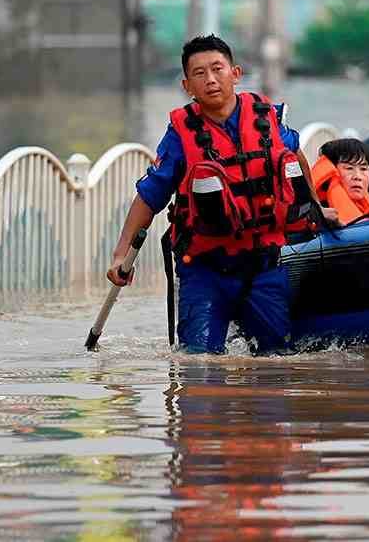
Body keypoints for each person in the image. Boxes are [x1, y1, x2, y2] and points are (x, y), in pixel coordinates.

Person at [105, 35, 333, 355]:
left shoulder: (266, 119)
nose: (210, 79)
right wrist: (120, 254)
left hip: (264, 267)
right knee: (198, 366)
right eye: (199, 73)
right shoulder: (180, 136)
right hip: (205, 270)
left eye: (217, 69)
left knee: (277, 365)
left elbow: (295, 158)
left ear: (235, 73)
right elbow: (149, 196)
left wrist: (317, 208)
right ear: (188, 86)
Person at [311, 137, 369, 225]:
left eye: (363, 169)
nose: (357, 176)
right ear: (333, 171)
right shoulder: (316, 216)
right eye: (349, 168)